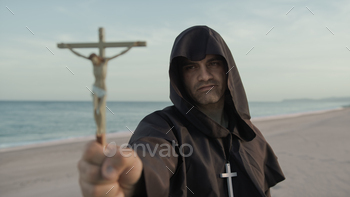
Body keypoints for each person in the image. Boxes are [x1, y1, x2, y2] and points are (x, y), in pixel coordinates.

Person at [77, 26, 285, 197]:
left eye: (212, 63)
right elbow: (152, 155)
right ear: (179, 76)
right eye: (191, 67)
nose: (204, 76)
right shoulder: (163, 127)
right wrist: (134, 176)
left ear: (227, 69)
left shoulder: (252, 136)